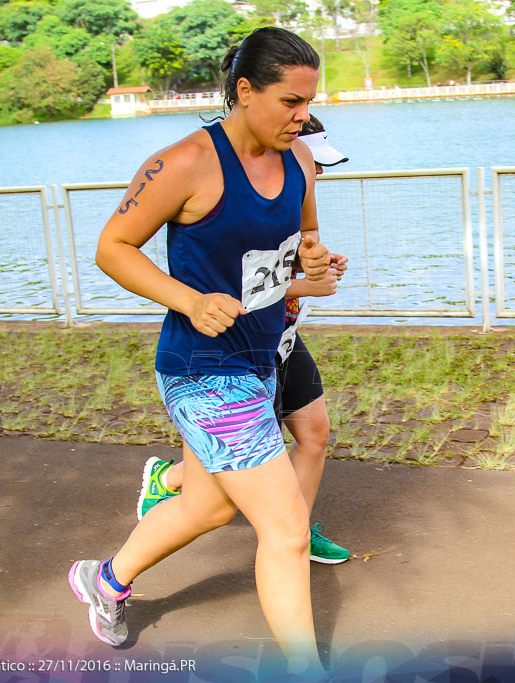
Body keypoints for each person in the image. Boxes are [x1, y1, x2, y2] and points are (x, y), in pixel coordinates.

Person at [67, 27, 332, 675]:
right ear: (245, 91)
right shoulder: (184, 162)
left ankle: (106, 580)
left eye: (310, 102)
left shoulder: (297, 161)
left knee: (209, 504)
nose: (303, 117)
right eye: (290, 102)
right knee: (287, 528)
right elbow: (112, 247)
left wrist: (312, 267)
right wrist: (189, 299)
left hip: (259, 360)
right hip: (202, 371)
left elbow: (294, 249)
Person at [137, 115, 352, 566]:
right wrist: (301, 284)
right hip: (224, 355)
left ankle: (295, 534)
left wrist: (316, 263)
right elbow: (239, 284)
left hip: (281, 339)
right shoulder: (212, 173)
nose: (320, 173)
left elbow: (279, 261)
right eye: (316, 164)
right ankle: (166, 494)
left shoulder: (293, 182)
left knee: (313, 433)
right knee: (212, 504)